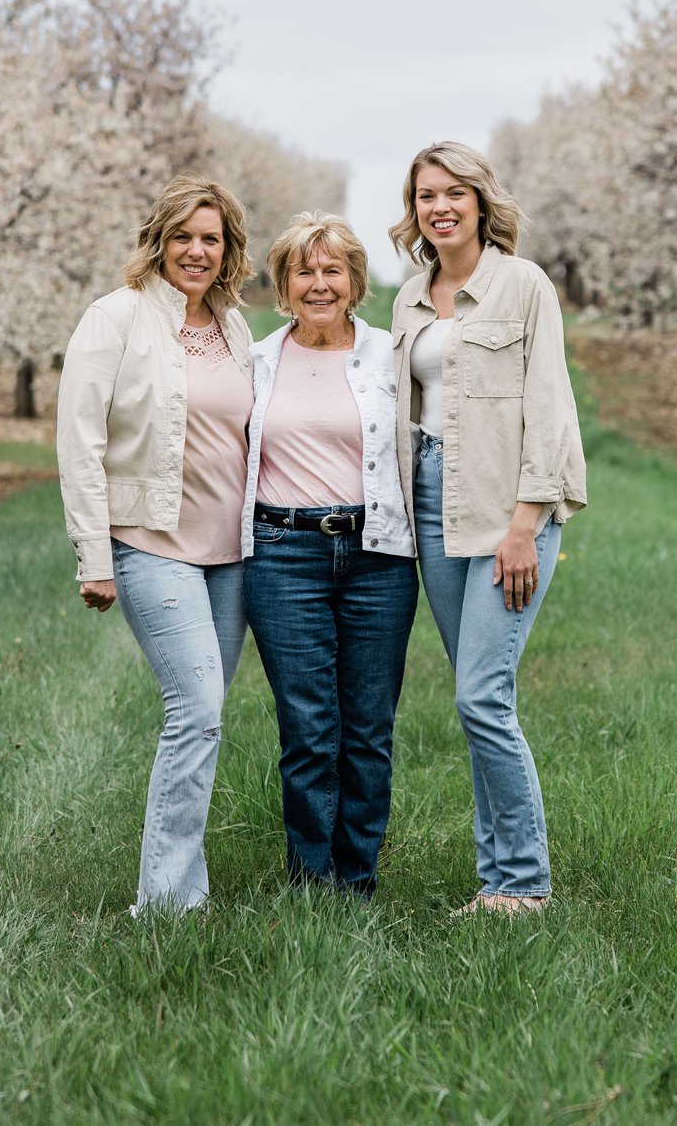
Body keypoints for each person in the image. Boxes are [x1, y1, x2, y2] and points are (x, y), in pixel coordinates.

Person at [389, 140, 586, 915]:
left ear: (480, 200)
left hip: (510, 508)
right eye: (425, 194)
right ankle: (495, 877)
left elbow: (551, 406)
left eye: (453, 192)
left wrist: (525, 522)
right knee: (478, 694)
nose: (439, 206)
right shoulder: (409, 296)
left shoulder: (522, 284)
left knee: (481, 694)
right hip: (434, 504)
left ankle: (524, 880)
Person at [57, 175, 256, 914]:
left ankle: (183, 884)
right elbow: (78, 441)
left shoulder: (234, 326)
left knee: (205, 717)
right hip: (150, 544)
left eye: (211, 238)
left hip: (231, 555)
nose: (196, 251)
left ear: (227, 249)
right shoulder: (116, 318)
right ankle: (166, 903)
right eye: (184, 236)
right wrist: (95, 556)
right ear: (158, 241)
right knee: (195, 709)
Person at [237, 213, 415, 896]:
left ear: (354, 281)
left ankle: (357, 879)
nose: (319, 284)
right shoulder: (255, 361)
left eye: (332, 270)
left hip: (378, 556)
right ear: (283, 284)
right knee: (310, 728)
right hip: (283, 554)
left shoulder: (389, 355)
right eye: (304, 271)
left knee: (368, 727)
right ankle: (311, 881)